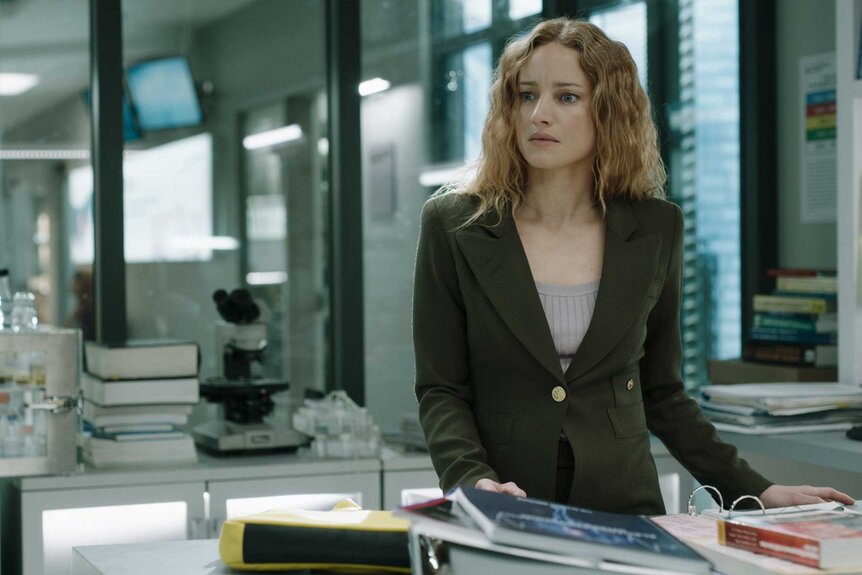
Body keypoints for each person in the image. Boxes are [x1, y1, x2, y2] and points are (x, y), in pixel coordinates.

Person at [411, 17, 853, 515]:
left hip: (625, 503)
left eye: (567, 97)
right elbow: (441, 387)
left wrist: (755, 488)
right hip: (504, 503)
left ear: (608, 112)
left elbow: (662, 392)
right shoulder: (454, 224)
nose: (539, 114)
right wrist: (470, 478)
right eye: (525, 95)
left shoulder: (655, 227)